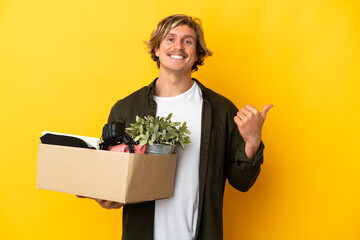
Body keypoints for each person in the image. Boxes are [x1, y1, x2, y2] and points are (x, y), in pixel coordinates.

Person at [86, 14, 272, 240]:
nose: (178, 46)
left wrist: (252, 142)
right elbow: (110, 179)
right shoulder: (126, 110)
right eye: (170, 39)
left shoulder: (221, 111)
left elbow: (242, 182)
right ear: (156, 49)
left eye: (188, 41)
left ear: (197, 54)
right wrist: (106, 196)